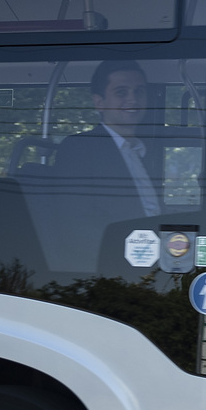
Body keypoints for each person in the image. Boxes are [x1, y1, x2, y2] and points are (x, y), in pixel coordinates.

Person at [49, 60, 163, 266]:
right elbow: (75, 228)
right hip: (112, 272)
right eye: (121, 92)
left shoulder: (142, 153)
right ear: (99, 102)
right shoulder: (80, 148)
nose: (133, 99)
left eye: (139, 91)